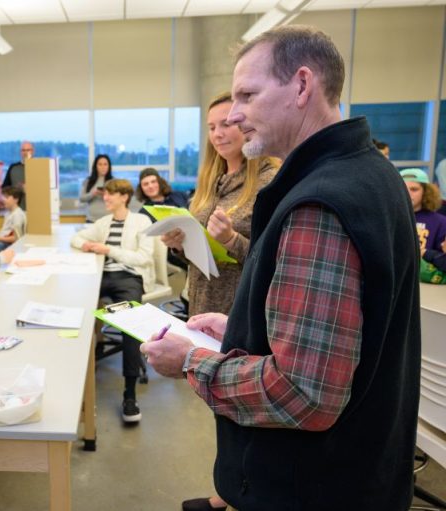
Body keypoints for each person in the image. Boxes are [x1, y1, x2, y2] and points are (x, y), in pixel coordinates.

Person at [142, 26, 420, 511]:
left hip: (312, 486)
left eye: (248, 94)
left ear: (301, 85)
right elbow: (346, 334)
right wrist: (242, 329)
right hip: (360, 472)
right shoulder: (370, 172)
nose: (233, 114)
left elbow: (304, 394)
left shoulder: (320, 203)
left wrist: (189, 360)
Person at [161, 91, 278, 511]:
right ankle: (229, 491)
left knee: (244, 402)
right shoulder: (213, 179)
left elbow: (272, 259)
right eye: (210, 127)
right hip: (206, 297)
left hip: (242, 305)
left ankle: (238, 495)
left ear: (245, 121)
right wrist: (179, 242)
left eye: (225, 123)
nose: (218, 133)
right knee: (220, 403)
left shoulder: (268, 179)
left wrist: (231, 239)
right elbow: (201, 250)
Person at [71, 179, 154, 423]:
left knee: (130, 324)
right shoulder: (103, 222)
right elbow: (77, 238)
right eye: (105, 194)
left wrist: (109, 250)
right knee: (78, 311)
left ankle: (129, 394)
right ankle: (77, 380)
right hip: (101, 275)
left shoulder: (142, 222)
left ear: (124, 197)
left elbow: (143, 258)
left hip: (128, 277)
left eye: (111, 195)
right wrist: (87, 244)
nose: (105, 198)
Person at [400, 168, 446, 273]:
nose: (408, 194)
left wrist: (424, 253)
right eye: (403, 189)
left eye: (414, 189)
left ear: (426, 192)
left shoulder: (441, 222)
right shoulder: (388, 219)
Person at [0, 186, 26, 254]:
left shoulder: (17, 215)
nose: (4, 200)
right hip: (0, 241)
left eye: (7, 197)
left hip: (5, 244)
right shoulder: (9, 213)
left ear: (16, 199)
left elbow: (16, 238)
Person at [79, 154, 114, 222]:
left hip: (108, 220)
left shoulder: (114, 181)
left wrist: (106, 194)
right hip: (91, 219)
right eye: (100, 164)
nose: (103, 167)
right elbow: (81, 198)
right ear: (95, 166)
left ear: (109, 166)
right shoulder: (88, 181)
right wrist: (92, 193)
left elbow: (118, 200)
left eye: (105, 164)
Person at [2, 140, 34, 209]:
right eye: (23, 150)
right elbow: (4, 188)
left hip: (36, 207)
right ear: (20, 152)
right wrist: (18, 189)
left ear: (33, 151)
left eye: (28, 150)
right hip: (17, 209)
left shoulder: (39, 167)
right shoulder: (13, 167)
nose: (25, 153)